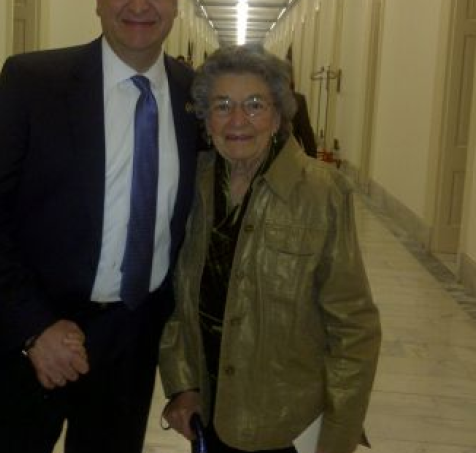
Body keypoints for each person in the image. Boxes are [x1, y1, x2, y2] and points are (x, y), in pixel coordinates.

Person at [0, 0, 198, 453]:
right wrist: (33, 329)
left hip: (132, 338)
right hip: (34, 333)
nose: (139, 2)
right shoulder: (32, 83)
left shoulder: (196, 99)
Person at [159, 46, 381, 453]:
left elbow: (354, 328)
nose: (238, 120)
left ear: (278, 117)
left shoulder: (322, 192)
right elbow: (176, 298)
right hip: (209, 414)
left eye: (255, 105)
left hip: (289, 426)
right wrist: (183, 384)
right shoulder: (194, 184)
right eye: (222, 105)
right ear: (206, 119)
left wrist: (337, 437)